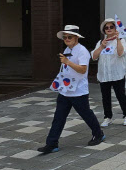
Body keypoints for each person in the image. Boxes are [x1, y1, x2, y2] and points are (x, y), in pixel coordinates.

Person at [38, 25, 105, 154]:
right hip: (65, 90)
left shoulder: (82, 51)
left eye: (69, 37)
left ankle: (99, 134)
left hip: (78, 91)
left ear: (76, 38)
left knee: (86, 114)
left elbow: (83, 69)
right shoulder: (68, 49)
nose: (67, 39)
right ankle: (51, 143)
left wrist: (68, 62)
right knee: (58, 117)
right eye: (65, 37)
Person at [92, 18, 126, 127]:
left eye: (111, 27)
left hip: (117, 74)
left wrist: (118, 39)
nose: (109, 29)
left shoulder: (121, 40)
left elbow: (120, 53)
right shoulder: (100, 42)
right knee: (105, 97)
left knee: (121, 95)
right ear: (104, 30)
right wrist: (102, 46)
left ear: (115, 28)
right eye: (106, 27)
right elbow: (94, 57)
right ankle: (107, 117)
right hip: (104, 75)